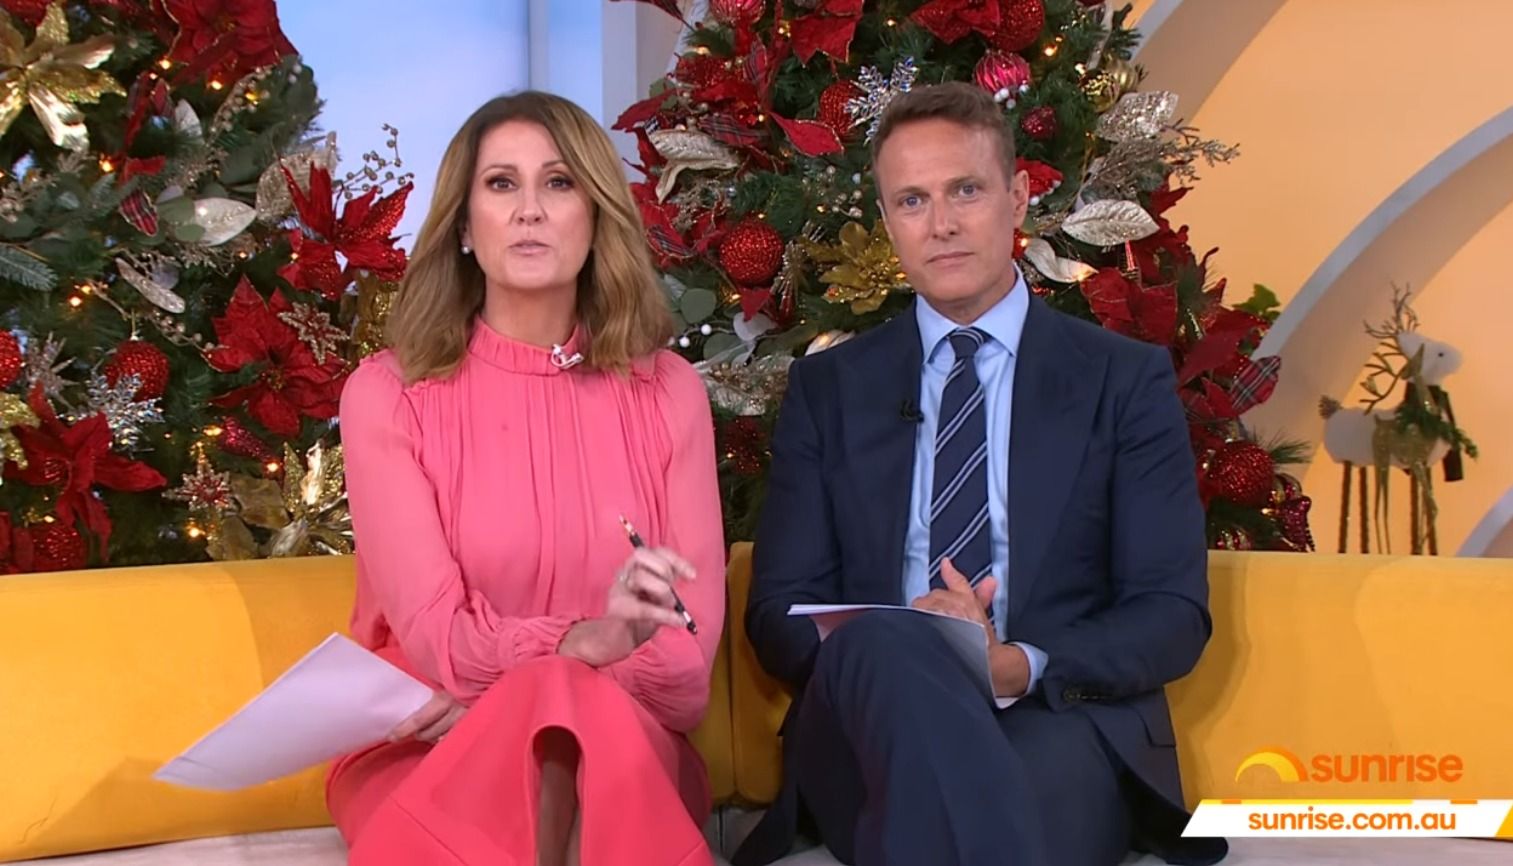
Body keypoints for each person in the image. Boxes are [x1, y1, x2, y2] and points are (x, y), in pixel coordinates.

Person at [734, 82, 1228, 866]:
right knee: (890, 647)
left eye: (964, 190)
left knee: (983, 799)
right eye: (911, 201)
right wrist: (914, 656)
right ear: (888, 221)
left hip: (1053, 715)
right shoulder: (830, 390)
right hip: (867, 721)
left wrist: (1012, 665)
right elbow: (777, 615)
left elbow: (1169, 614)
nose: (941, 224)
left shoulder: (1119, 381)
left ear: (1017, 196)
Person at [329, 91, 725, 866]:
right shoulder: (387, 395)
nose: (530, 210)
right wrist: (590, 641)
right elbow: (439, 643)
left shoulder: (668, 391)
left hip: (621, 736)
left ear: (596, 215)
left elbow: (683, 675)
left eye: (559, 182)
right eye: (501, 184)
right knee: (548, 741)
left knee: (570, 727)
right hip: (427, 737)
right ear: (463, 224)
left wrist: (541, 686)